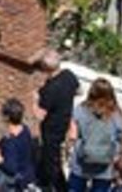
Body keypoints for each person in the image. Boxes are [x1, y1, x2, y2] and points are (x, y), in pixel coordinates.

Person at [67, 77, 122, 192]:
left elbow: (72, 136)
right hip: (106, 166)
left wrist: (68, 151)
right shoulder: (117, 114)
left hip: (81, 162)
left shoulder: (81, 109)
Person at [35, 49, 80, 192]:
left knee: (52, 161)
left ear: (45, 69)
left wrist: (34, 99)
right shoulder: (69, 76)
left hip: (51, 129)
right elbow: (79, 91)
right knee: (50, 157)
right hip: (64, 122)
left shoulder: (50, 89)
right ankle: (44, 179)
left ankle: (58, 187)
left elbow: (40, 115)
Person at [0, 97, 36, 191]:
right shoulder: (25, 130)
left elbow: (11, 168)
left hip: (15, 184)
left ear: (7, 117)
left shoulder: (11, 142)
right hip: (26, 177)